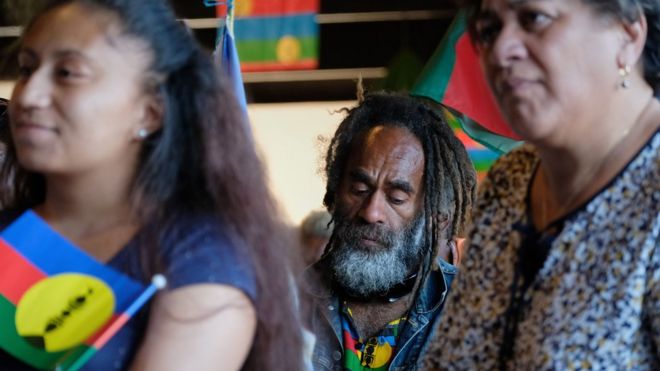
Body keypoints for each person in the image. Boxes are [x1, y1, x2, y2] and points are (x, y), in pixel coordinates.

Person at [0, 0, 302, 370]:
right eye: (27, 69)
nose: (29, 95)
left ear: (150, 110)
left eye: (67, 73)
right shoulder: (10, 231)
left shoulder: (200, 260)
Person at [423, 0, 660, 369]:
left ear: (627, 34)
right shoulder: (510, 183)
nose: (501, 50)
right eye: (489, 30)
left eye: (534, 18)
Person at [303, 92, 476, 370]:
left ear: (436, 216)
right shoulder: (289, 302)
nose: (371, 212)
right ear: (335, 192)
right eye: (359, 190)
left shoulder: (471, 312)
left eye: (396, 198)